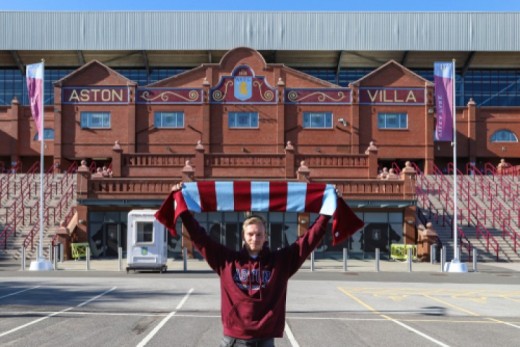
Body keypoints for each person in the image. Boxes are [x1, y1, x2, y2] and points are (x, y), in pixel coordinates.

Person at [170, 183, 332, 347]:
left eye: (259, 234)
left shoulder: (280, 262)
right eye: (250, 234)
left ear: (265, 236)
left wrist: (327, 210)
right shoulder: (226, 261)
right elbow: (200, 237)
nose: (255, 238)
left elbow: (308, 241)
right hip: (234, 339)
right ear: (243, 236)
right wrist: (182, 206)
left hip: (266, 339)